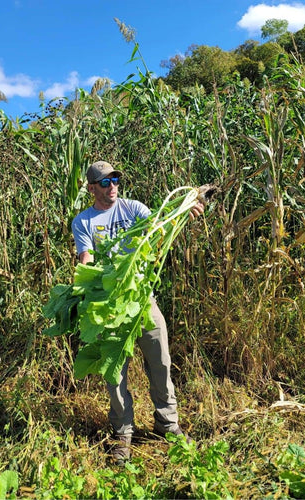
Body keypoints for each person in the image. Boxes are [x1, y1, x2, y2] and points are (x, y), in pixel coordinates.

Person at [71, 160, 205, 464]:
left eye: (115, 179)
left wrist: (185, 213)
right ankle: (123, 433)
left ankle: (167, 424)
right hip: (110, 304)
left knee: (161, 362)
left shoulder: (133, 209)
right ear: (91, 188)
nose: (112, 186)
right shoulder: (84, 221)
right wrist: (90, 282)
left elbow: (160, 228)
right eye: (104, 182)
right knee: (115, 372)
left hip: (143, 297)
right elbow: (86, 257)